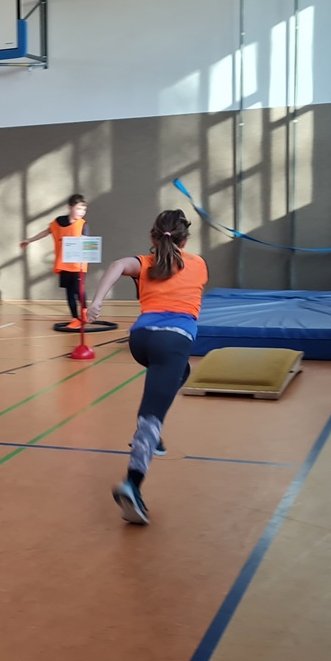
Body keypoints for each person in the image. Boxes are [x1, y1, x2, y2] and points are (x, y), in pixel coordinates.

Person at [86, 208, 208, 526]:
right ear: (185, 239)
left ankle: (154, 435)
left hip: (140, 341)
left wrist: (97, 302)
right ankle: (132, 484)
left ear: (153, 238)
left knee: (182, 373)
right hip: (172, 341)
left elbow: (116, 265)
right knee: (150, 416)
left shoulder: (145, 263)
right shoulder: (198, 264)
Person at [20, 194, 90, 325]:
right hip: (64, 264)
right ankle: (75, 318)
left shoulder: (83, 225)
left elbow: (87, 244)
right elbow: (46, 232)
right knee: (69, 292)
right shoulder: (58, 222)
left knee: (78, 290)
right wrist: (29, 240)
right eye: (79, 208)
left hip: (78, 265)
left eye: (84, 209)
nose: (82, 212)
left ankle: (85, 312)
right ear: (70, 208)